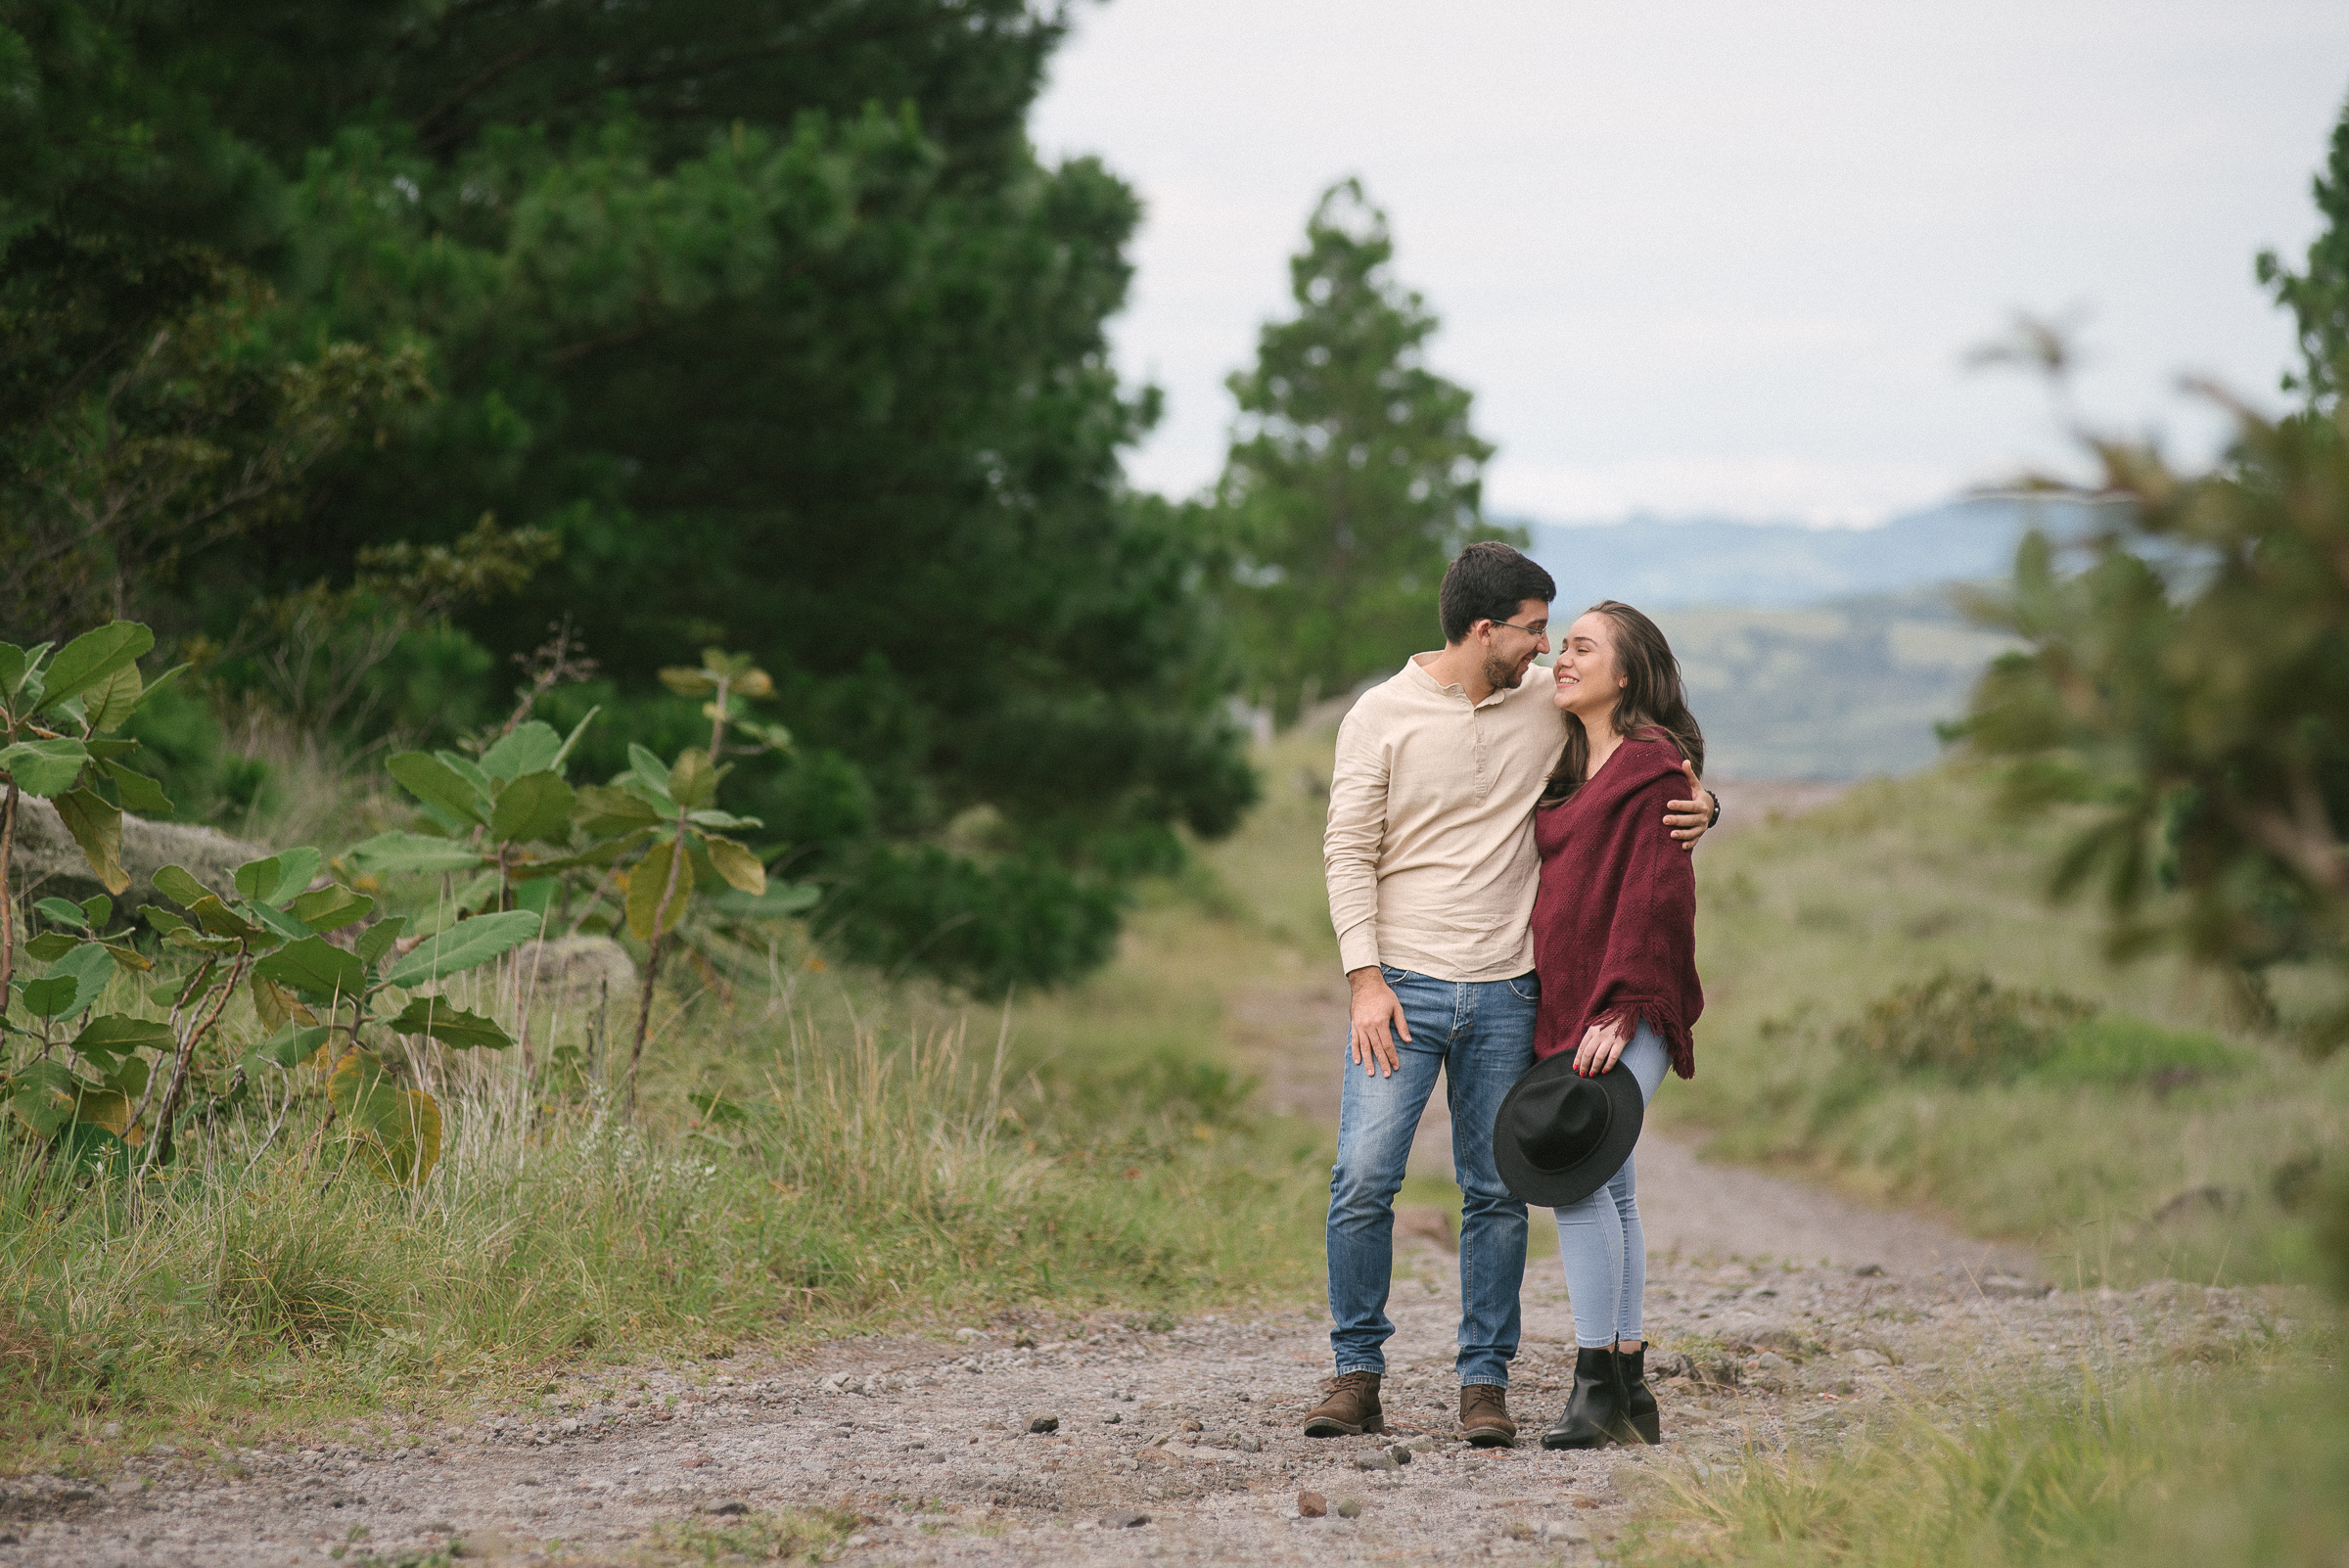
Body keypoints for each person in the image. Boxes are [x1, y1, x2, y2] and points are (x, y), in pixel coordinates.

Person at [1305, 547, 1717, 1448]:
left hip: (1508, 992)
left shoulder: (1547, 704)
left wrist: (1703, 801)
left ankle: (1483, 1384)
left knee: (1497, 1189)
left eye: (1556, 636)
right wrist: (1363, 979)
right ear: (1484, 629)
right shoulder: (1379, 716)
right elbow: (1347, 852)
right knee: (1364, 1179)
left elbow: (1642, 763)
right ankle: (1355, 1373)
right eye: (1534, 629)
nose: (1545, 649)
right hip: (1401, 989)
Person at [1525, 600, 1706, 1450]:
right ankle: (1630, 1391)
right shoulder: (1577, 759)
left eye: (1582, 648)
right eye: (1559, 645)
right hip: (1572, 1004)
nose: (1563, 659)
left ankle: (1595, 1384)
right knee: (1614, 1188)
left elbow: (1658, 899)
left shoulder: (1653, 770)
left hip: (1622, 1007)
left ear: (1626, 675)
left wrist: (1625, 1003)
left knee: (1574, 1175)